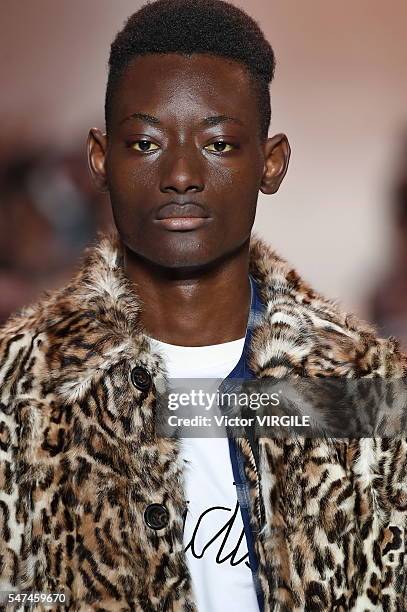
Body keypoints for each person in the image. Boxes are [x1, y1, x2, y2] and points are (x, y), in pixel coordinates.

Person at [0, 1, 406, 610]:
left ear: (271, 163)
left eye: (219, 144)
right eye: (144, 142)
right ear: (100, 160)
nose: (182, 173)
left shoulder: (361, 387)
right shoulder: (20, 384)